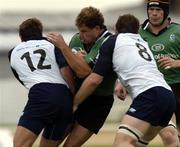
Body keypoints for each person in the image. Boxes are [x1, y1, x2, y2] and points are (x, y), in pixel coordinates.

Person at [73, 14, 176, 147]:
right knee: (153, 140)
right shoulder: (142, 42)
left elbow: (94, 79)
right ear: (137, 30)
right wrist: (122, 82)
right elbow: (138, 67)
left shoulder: (112, 40)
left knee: (122, 142)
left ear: (116, 29)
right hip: (167, 95)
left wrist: (75, 103)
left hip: (149, 95)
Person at [47, 6, 121, 147]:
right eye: (80, 31)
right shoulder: (76, 39)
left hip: (98, 102)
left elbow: (84, 72)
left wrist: (64, 48)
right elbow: (71, 68)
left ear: (97, 28)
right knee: (50, 143)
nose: (81, 36)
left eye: (85, 31)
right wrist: (76, 59)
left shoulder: (108, 42)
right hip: (75, 95)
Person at [8, 18, 75, 147]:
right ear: (40, 32)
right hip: (64, 97)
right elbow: (65, 70)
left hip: (41, 94)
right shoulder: (53, 45)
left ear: (21, 36)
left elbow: (22, 77)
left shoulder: (14, 52)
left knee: (19, 145)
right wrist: (71, 92)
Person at [139, 0, 180, 146]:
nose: (154, 14)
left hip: (178, 86)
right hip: (155, 89)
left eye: (158, 10)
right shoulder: (138, 33)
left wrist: (177, 63)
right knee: (169, 135)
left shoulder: (178, 31)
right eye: (151, 10)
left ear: (166, 12)